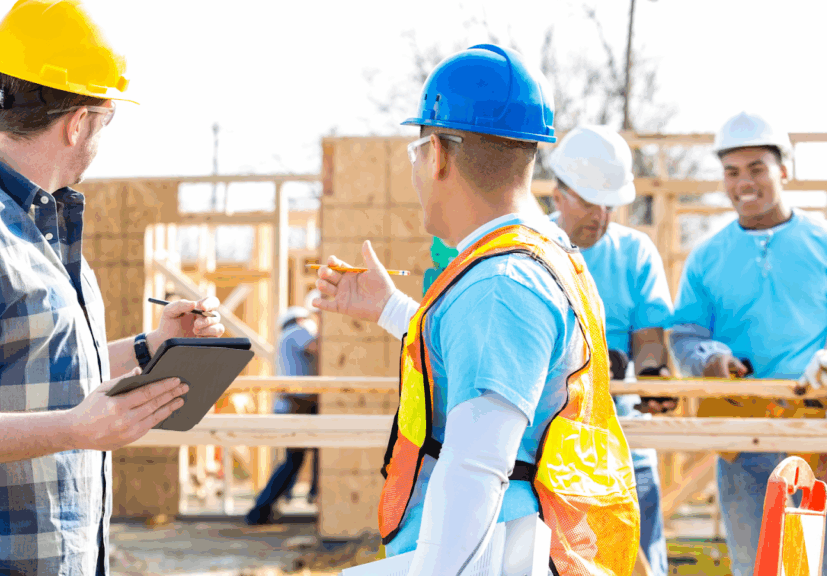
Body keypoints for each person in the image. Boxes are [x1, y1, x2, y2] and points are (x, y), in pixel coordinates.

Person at [0, 2, 225, 574]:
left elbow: (39, 372)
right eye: (106, 119)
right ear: (78, 122)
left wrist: (153, 346)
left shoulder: (35, 229)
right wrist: (75, 429)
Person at [314, 44, 639, 576]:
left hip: (491, 556)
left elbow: (476, 468)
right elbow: (486, 364)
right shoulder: (534, 257)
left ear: (438, 153)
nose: (416, 169)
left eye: (417, 151)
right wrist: (394, 310)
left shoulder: (501, 284)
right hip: (511, 549)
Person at [670, 111, 827, 576]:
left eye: (757, 168)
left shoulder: (820, 242)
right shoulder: (707, 257)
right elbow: (685, 334)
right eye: (732, 172)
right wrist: (711, 359)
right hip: (742, 432)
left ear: (784, 170)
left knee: (813, 560)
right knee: (753, 564)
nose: (744, 183)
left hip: (817, 429)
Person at [548, 125, 675, 576]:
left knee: (643, 565)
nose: (600, 216)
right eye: (588, 201)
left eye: (609, 204)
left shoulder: (635, 252)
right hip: (552, 450)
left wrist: (653, 375)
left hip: (628, 443)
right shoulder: (534, 248)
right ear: (558, 192)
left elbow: (648, 338)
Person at [245, 296, 320, 525]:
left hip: (291, 405)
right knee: (293, 461)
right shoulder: (297, 331)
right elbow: (316, 346)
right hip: (295, 405)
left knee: (295, 460)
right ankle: (260, 510)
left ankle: (267, 507)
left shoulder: (285, 337)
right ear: (299, 319)